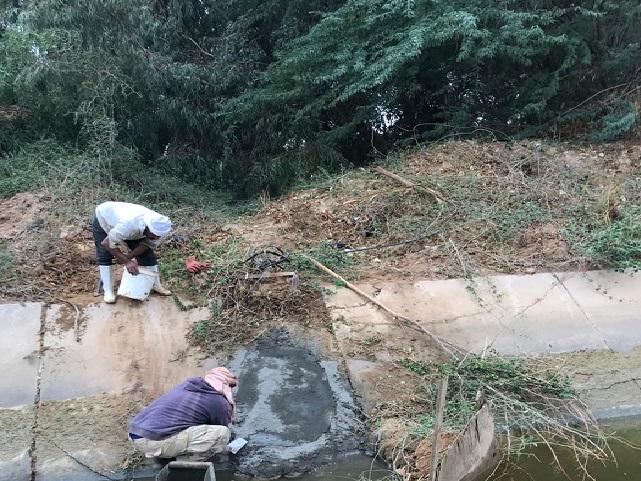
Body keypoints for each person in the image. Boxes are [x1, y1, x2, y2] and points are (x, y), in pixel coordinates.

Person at [128, 368, 237, 461]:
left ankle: (167, 451)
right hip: (153, 441)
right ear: (224, 384)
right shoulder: (218, 401)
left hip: (136, 433)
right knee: (222, 433)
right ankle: (185, 463)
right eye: (230, 386)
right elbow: (221, 425)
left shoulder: (187, 386)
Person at [92, 201, 172, 303]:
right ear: (147, 227)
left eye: (158, 236)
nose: (156, 238)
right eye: (153, 235)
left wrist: (129, 256)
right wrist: (127, 262)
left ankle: (155, 285)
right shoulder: (129, 225)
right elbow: (106, 243)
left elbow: (147, 245)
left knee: (147, 255)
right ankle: (108, 291)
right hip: (104, 219)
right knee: (104, 255)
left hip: (130, 227)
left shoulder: (161, 228)